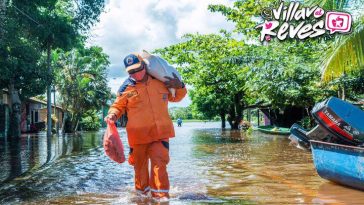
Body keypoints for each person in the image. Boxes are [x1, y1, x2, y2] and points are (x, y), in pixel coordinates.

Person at [105, 53, 187, 201]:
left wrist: (180, 86)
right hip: (138, 137)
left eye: (138, 69)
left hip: (160, 133)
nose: (136, 74)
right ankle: (142, 198)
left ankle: (162, 198)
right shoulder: (125, 88)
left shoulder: (161, 80)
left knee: (159, 165)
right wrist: (112, 115)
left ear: (144, 65)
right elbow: (117, 106)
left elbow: (177, 97)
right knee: (140, 169)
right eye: (131, 72)